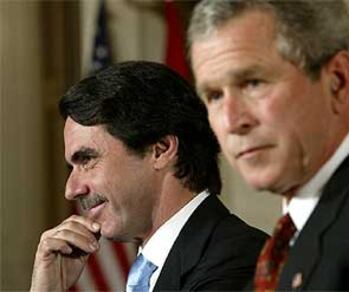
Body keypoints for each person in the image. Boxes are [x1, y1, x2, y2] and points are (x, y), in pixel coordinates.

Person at [188, 0, 349, 290]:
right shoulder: (282, 251)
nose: (232, 121)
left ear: (337, 82)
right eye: (214, 96)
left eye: (253, 83)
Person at [30, 61, 268, 291]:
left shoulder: (239, 261)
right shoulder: (153, 268)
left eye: (87, 160)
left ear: (160, 150)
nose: (71, 189)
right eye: (71, 167)